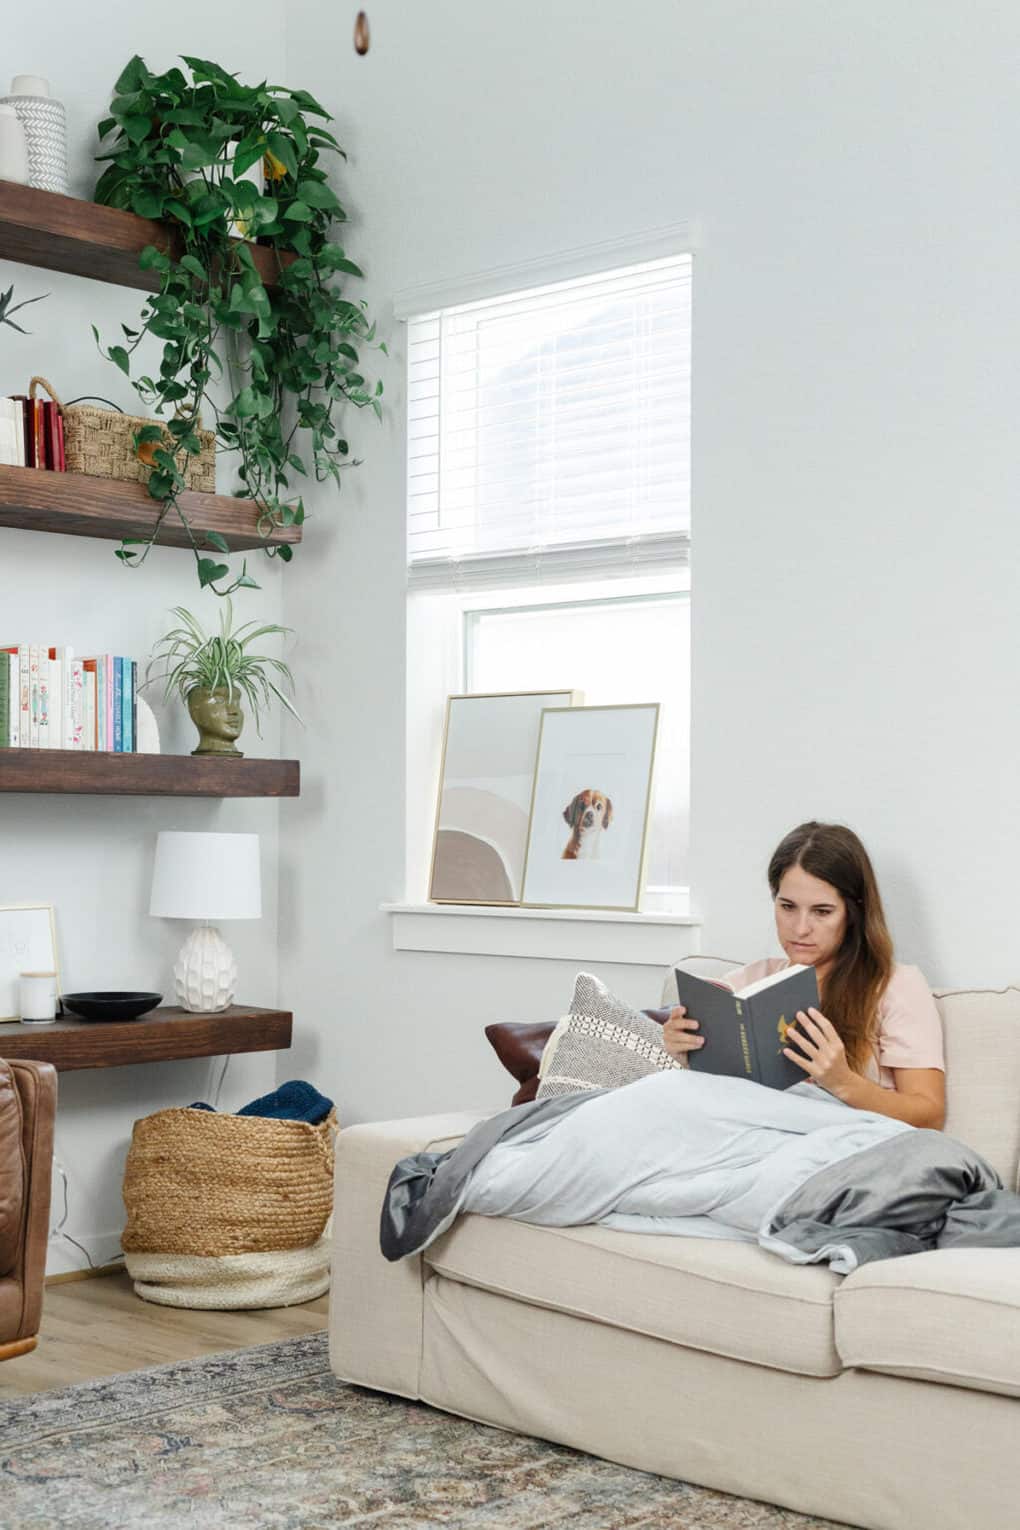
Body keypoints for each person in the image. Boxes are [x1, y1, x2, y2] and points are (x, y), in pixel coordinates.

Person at [662, 821, 946, 1128]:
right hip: (750, 1137)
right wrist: (683, 1053)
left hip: (837, 1146)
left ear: (853, 913)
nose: (800, 929)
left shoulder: (895, 986)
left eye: (822, 911)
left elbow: (929, 1115)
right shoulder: (747, 983)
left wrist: (843, 1082)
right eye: (787, 907)